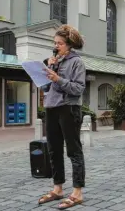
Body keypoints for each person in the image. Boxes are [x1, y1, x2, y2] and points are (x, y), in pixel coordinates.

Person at [37, 24, 86, 210]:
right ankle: (57, 189)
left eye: (59, 43)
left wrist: (58, 79)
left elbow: (79, 89)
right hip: (51, 108)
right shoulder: (54, 61)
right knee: (53, 149)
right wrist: (46, 74)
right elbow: (47, 89)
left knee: (73, 151)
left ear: (69, 45)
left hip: (69, 108)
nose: (56, 46)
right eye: (54, 43)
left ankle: (77, 193)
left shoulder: (76, 62)